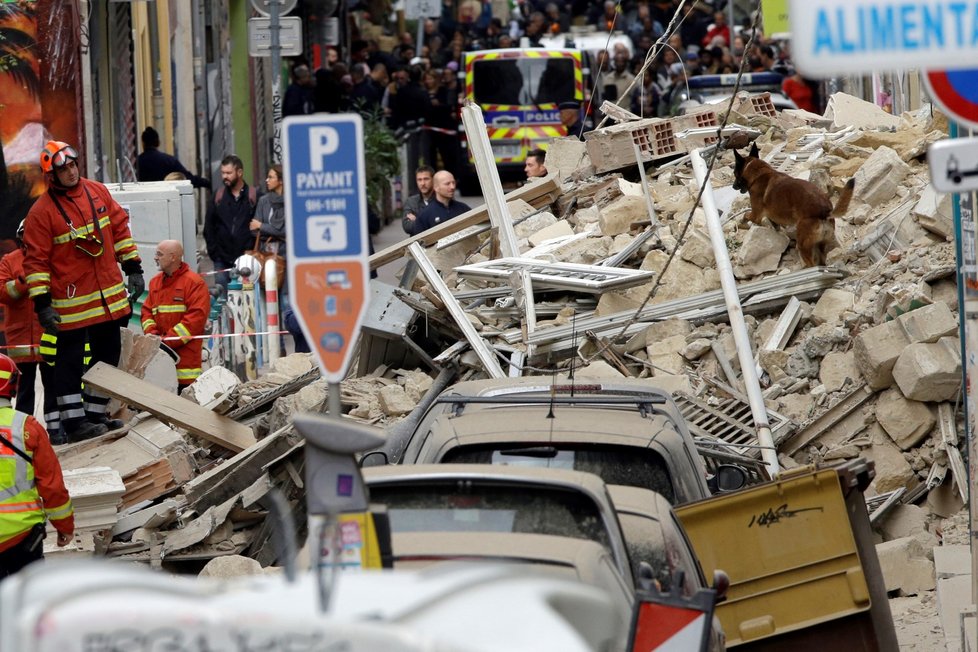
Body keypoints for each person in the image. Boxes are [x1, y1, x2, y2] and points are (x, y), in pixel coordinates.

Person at [23, 140, 143, 443]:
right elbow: (35, 262)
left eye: (73, 165)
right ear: (52, 176)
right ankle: (75, 424)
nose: (71, 172)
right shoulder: (41, 213)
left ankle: (95, 414)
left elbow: (119, 229)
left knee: (108, 353)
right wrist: (42, 304)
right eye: (64, 169)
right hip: (72, 301)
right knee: (70, 360)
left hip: (108, 295)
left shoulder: (97, 191)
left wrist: (133, 267)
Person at [0, 352, 74, 578]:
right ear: (12, 385)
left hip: (21, 539)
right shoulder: (26, 427)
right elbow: (51, 486)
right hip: (21, 539)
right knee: (27, 605)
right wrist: (64, 527)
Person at [0, 220, 59, 440]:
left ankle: (55, 431)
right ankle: (23, 435)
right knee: (23, 391)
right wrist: (25, 279)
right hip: (20, 337)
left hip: (47, 334)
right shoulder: (10, 260)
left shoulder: (51, 258)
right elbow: (3, 293)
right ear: (20, 236)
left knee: (52, 386)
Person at [141, 240, 209, 390]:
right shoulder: (155, 283)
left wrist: (165, 343)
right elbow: (146, 313)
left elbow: (194, 321)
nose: (155, 258)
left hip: (185, 365)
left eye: (159, 254)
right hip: (159, 361)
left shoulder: (194, 283)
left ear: (173, 257)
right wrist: (153, 336)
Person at [203, 155, 258, 293]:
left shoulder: (253, 196)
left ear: (239, 172)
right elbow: (209, 226)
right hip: (221, 260)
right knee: (222, 298)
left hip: (246, 259)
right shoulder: (218, 196)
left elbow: (257, 227)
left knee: (247, 297)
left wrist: (251, 249)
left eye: (229, 173)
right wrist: (215, 254)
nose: (225, 176)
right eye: (223, 173)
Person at [250, 165, 288, 304]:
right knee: (267, 298)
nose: (267, 180)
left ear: (281, 181)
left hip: (285, 256)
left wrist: (262, 226)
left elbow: (287, 230)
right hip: (265, 255)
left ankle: (286, 325)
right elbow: (253, 229)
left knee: (285, 299)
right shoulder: (263, 201)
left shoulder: (291, 201)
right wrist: (272, 230)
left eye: (271, 177)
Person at [136, 127, 210, 188]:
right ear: (158, 142)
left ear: (143, 143)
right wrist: (205, 182)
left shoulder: (137, 162)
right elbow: (187, 179)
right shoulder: (169, 161)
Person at [402, 165, 435, 235]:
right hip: (419, 244)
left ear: (433, 180)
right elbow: (407, 227)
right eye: (419, 180)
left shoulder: (440, 199)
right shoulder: (411, 201)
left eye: (426, 179)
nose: (422, 183)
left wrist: (417, 220)